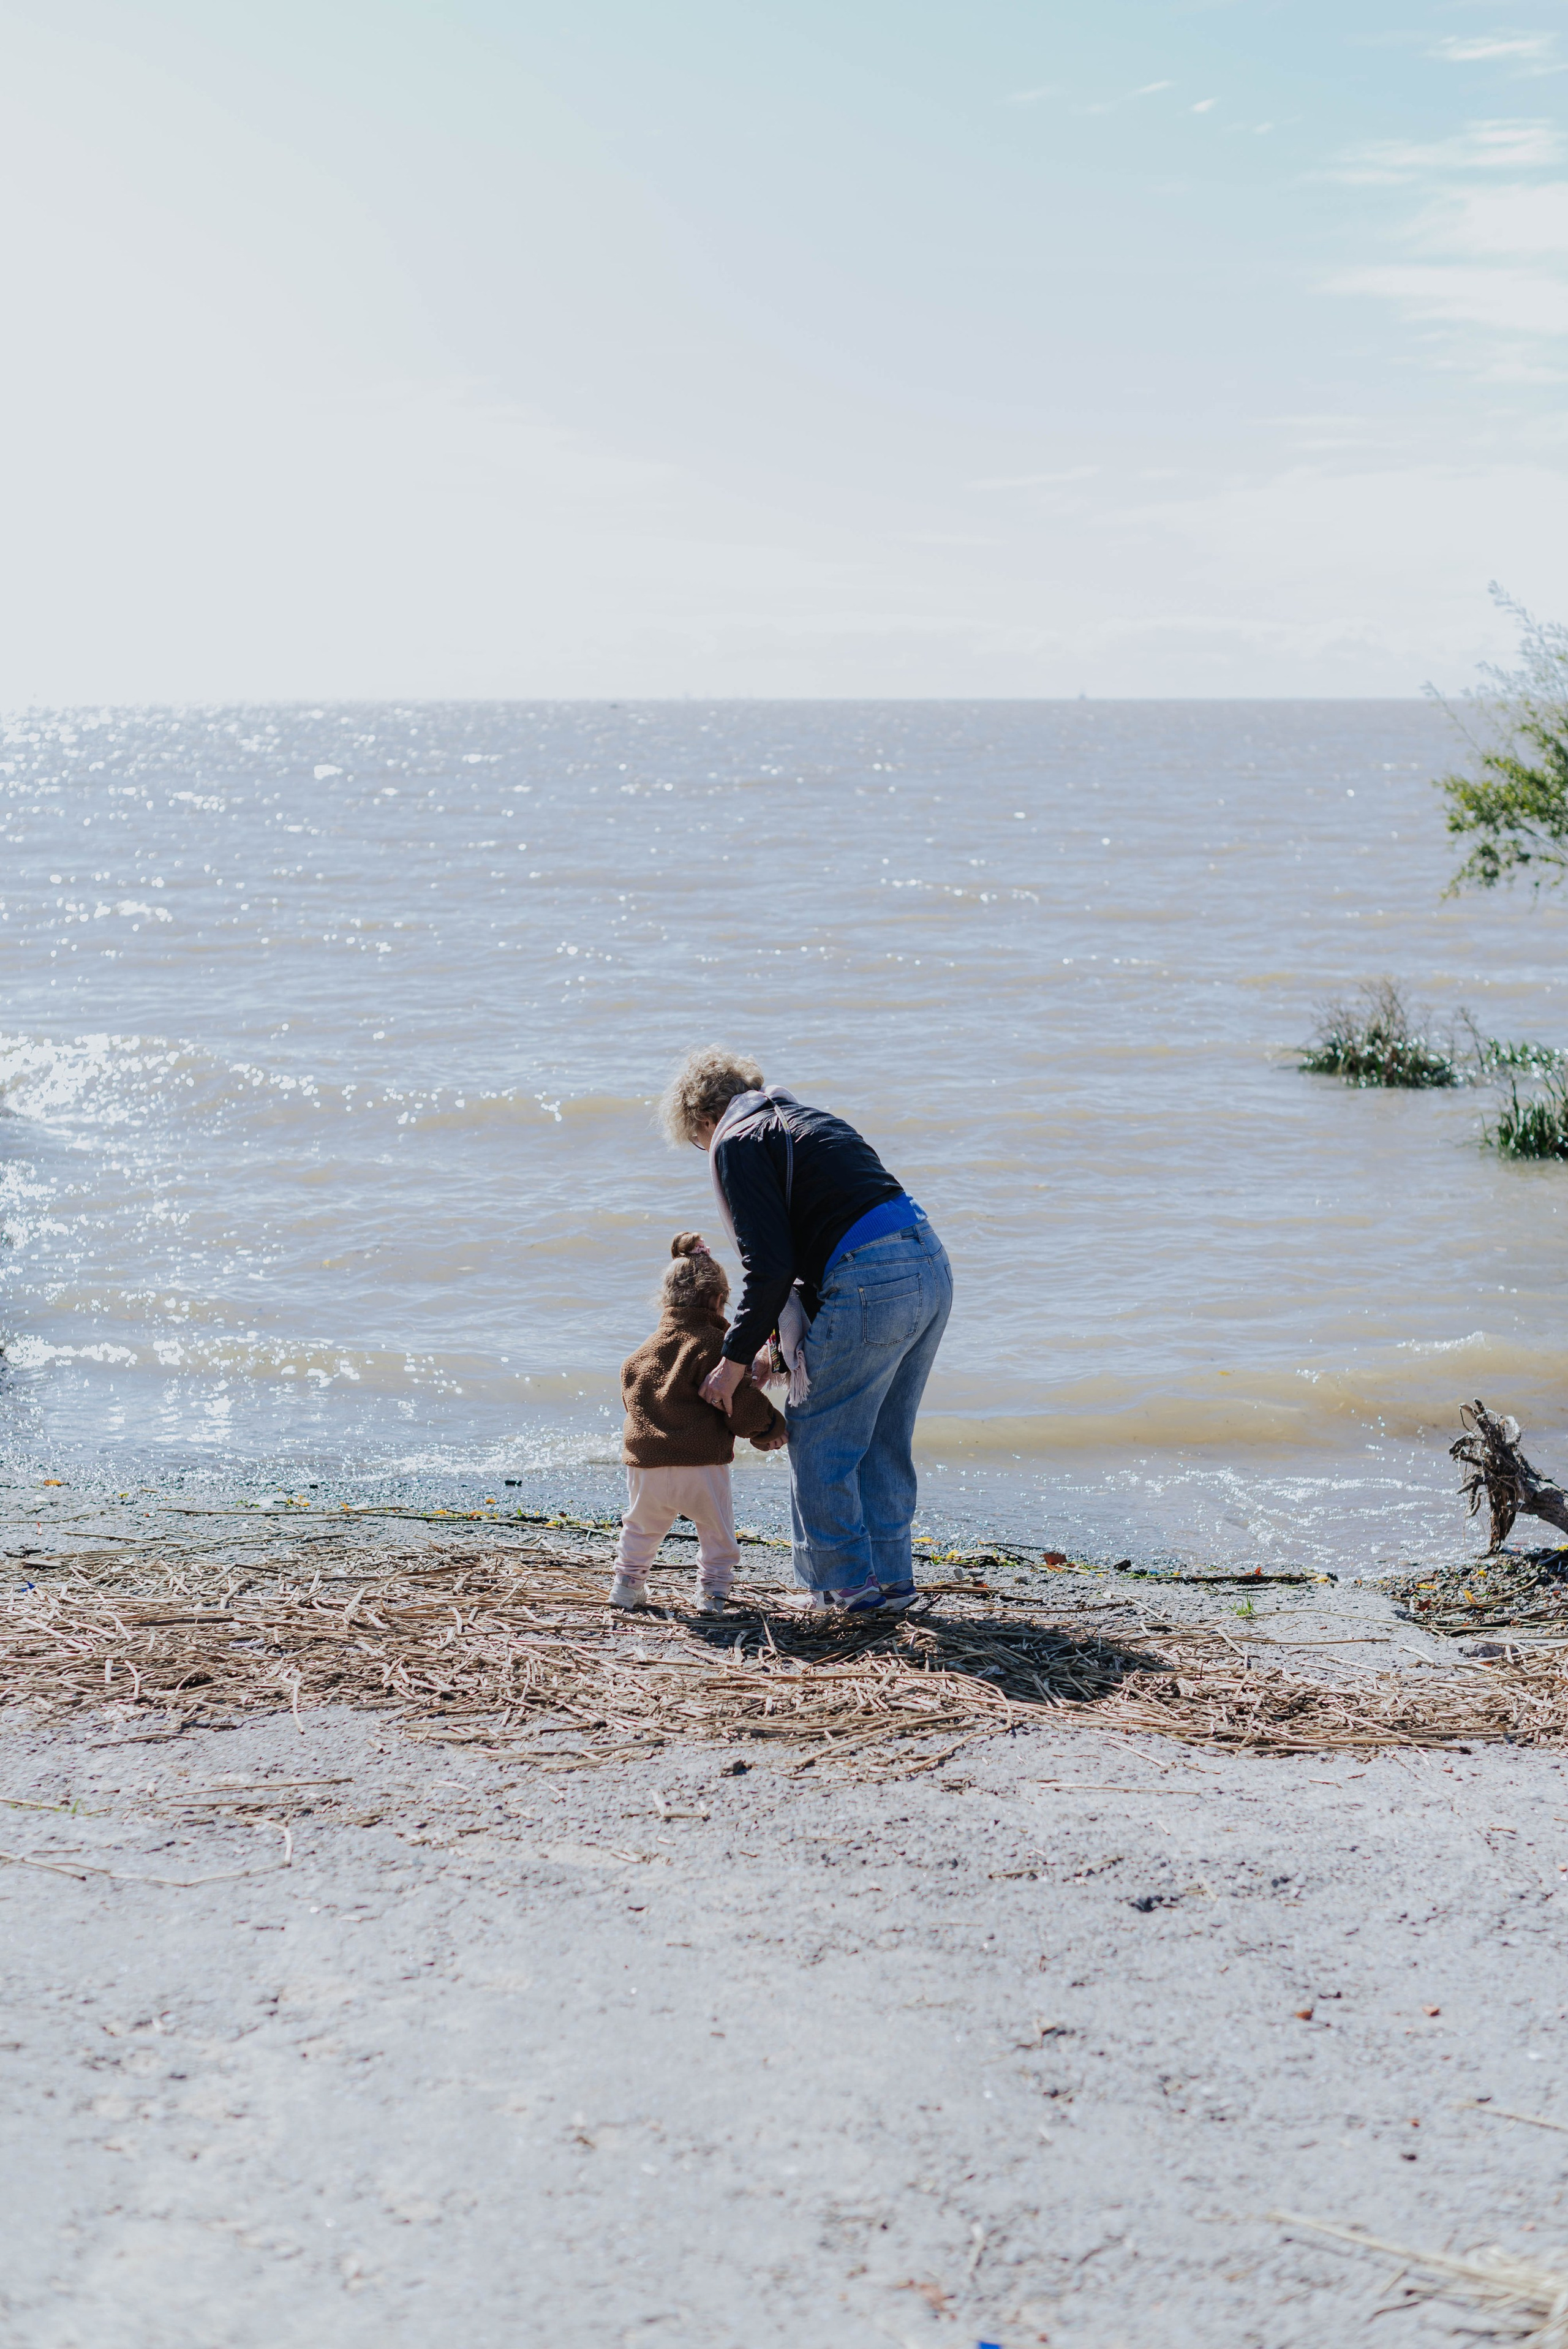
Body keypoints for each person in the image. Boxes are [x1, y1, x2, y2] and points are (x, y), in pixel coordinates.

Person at [657, 1048, 952, 1614]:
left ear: (703, 1119)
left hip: (873, 1279)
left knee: (818, 1432)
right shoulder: (813, 1121)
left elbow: (769, 1266)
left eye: (698, 1140)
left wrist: (733, 1362)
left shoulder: (739, 1144)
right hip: (930, 1263)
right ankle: (893, 1583)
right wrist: (778, 1346)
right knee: (883, 1437)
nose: (704, 1148)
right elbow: (823, 1239)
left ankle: (844, 1587)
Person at [610, 1232, 787, 1614]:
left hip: (647, 1463)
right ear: (719, 1300)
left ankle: (627, 1585)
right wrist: (770, 1428)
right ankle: (712, 1594)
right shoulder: (715, 1347)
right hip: (701, 1462)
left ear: (667, 1299)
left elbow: (633, 1402)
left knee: (641, 1527)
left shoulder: (640, 1353)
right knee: (716, 1532)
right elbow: (739, 1403)